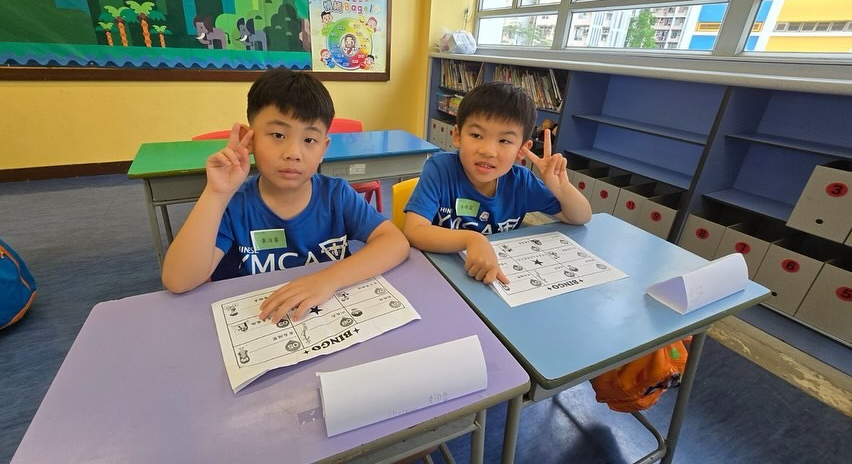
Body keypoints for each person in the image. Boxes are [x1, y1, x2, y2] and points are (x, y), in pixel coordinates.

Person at [162, 69, 410, 323]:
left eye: (309, 139)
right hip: (259, 321)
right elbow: (178, 280)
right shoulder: (234, 205)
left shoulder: (336, 195)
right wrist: (216, 194)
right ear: (250, 139)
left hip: (326, 317)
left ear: (323, 148)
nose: (293, 153)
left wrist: (328, 279)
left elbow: (395, 243)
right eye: (278, 135)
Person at [402, 81, 592, 285]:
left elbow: (581, 217)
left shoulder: (521, 182)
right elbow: (414, 231)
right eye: (477, 135)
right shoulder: (440, 169)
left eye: (504, 141)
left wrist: (562, 188)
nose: (488, 151)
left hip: (495, 278)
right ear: (457, 136)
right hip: (440, 275)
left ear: (521, 150)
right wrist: (472, 239)